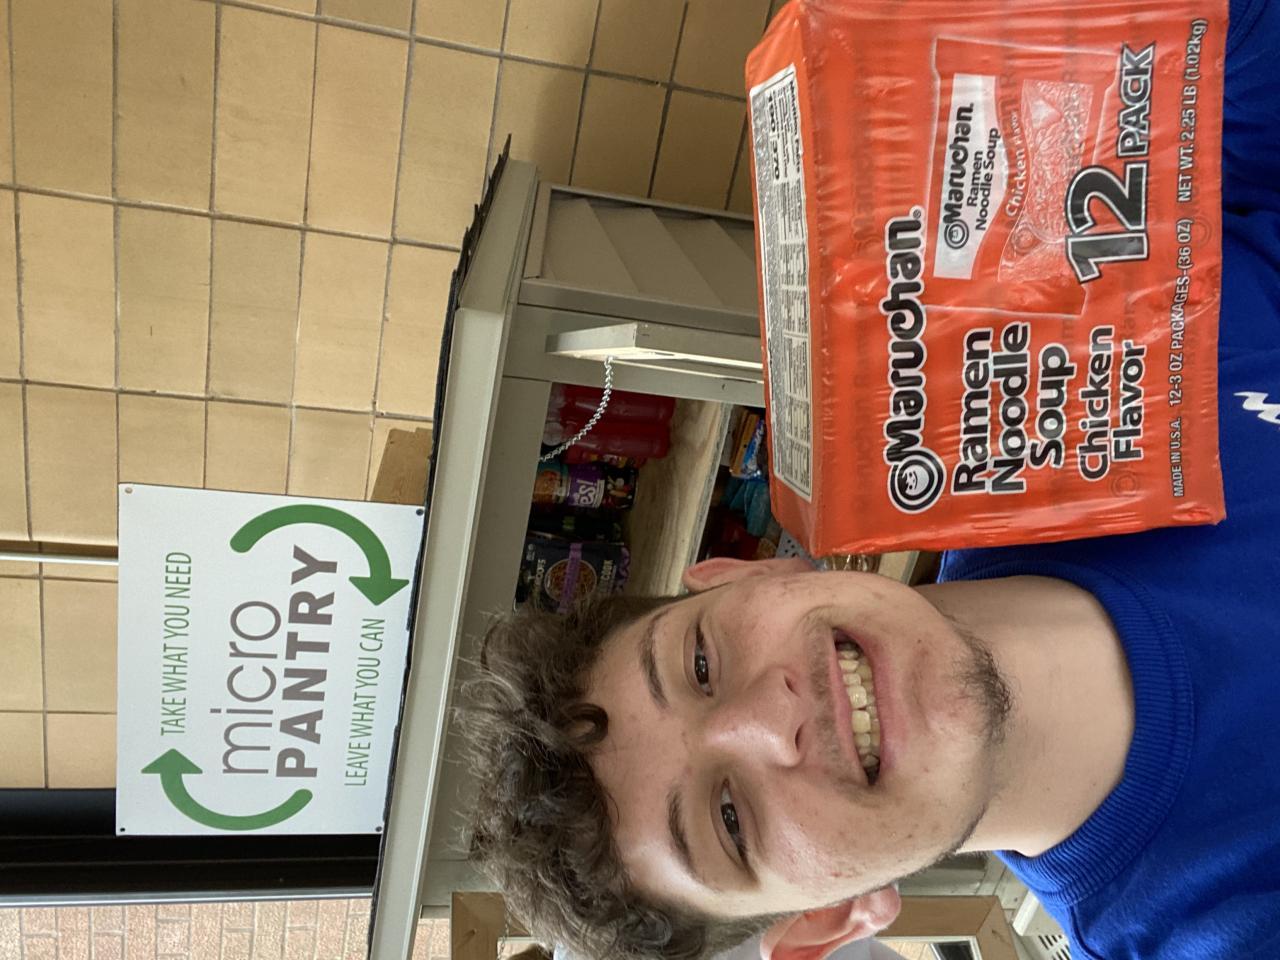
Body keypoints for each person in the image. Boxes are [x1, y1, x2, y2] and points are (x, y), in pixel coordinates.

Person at [461, 0, 1280, 957]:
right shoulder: (1216, 927)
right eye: (729, 819)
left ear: (750, 572)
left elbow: (1237, 115)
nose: (770, 718)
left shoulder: (1041, 365)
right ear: (825, 920)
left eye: (700, 664)